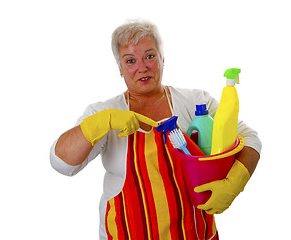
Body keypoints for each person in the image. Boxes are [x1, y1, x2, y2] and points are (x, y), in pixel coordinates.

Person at [50, 20, 262, 240]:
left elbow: (249, 138)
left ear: (163, 59)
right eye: (130, 60)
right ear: (120, 70)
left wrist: (235, 182)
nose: (142, 67)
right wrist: (101, 122)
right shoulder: (104, 112)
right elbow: (62, 164)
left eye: (150, 56)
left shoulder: (195, 102)